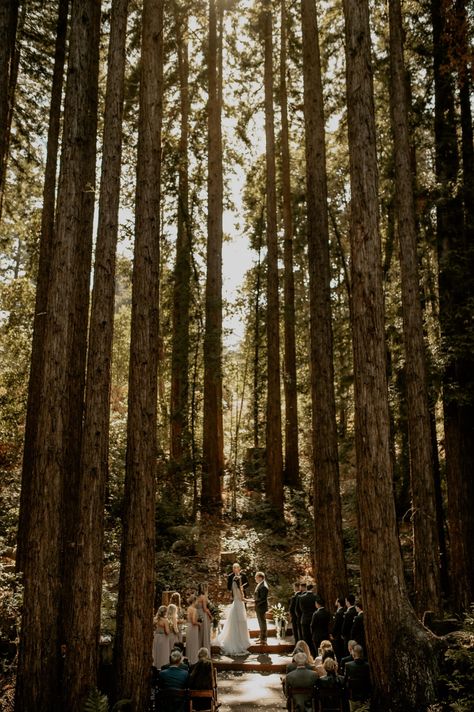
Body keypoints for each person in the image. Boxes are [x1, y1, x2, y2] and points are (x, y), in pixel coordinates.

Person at [218, 564, 251, 655]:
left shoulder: (243, 575)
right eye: (233, 568)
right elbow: (229, 588)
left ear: (239, 568)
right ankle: (239, 635)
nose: (235, 569)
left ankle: (241, 630)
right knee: (238, 616)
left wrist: (242, 587)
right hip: (238, 598)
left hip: (239, 597)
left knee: (240, 616)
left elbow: (247, 584)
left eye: (236, 568)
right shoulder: (231, 577)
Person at [344, 644, 371, 711]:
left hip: (353, 696)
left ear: (353, 653)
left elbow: (345, 680)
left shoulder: (348, 665)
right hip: (365, 696)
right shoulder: (367, 666)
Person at [299, 584, 317, 655]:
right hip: (314, 618)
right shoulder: (315, 597)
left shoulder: (301, 597)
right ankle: (314, 653)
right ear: (312, 589)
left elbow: (301, 609)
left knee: (306, 638)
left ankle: (307, 653)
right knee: (313, 637)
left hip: (305, 619)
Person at [253, 571, 269, 643]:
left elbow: (262, 599)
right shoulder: (260, 584)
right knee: (261, 623)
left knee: (262, 623)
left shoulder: (263, 586)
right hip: (259, 607)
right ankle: (261, 637)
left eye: (256, 577)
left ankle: (263, 639)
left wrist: (253, 601)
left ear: (260, 577)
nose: (255, 579)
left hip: (261, 607)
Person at [196, 583, 213, 652]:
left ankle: (199, 648)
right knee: (204, 631)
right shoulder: (203, 597)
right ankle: (205, 649)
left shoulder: (197, 597)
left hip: (197, 614)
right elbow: (205, 609)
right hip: (203, 615)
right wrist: (211, 616)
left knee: (200, 632)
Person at [152, 606, 170, 670]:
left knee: (156, 652)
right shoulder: (165, 621)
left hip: (156, 637)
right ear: (165, 612)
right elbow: (167, 632)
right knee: (163, 653)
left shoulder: (155, 619)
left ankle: (155, 666)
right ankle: (162, 666)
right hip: (163, 638)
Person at [186, 594, 201, 665]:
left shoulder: (188, 608)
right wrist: (199, 624)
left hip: (188, 626)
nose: (197, 602)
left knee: (189, 643)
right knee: (194, 644)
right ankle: (194, 660)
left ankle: (189, 659)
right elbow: (194, 622)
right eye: (197, 601)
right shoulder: (194, 609)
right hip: (193, 627)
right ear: (194, 601)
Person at [331, 597, 345, 662]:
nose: (335, 602)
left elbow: (336, 625)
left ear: (339, 603)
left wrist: (332, 634)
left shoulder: (339, 613)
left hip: (337, 636)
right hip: (341, 635)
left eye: (336, 601)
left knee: (338, 653)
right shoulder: (344, 611)